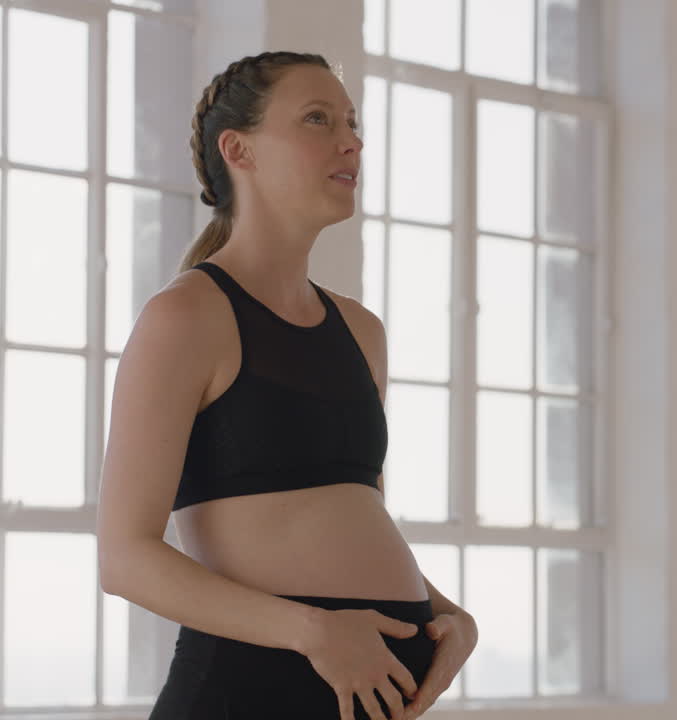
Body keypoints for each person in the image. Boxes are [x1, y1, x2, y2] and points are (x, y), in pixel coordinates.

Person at [97, 51, 477, 720]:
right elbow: (124, 558)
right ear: (238, 149)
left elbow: (349, 520)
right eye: (316, 118)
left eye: (352, 123)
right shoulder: (186, 317)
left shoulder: (362, 332)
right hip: (243, 693)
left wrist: (447, 616)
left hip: (366, 696)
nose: (351, 141)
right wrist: (316, 632)